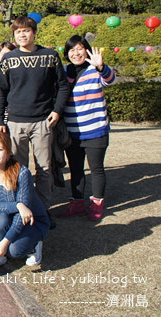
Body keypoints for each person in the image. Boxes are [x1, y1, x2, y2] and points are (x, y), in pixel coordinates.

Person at [0, 16, 70, 225]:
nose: (22, 35)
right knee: (18, 168)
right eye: (18, 32)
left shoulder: (50, 56)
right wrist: (0, 119)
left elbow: (63, 85)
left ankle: (44, 209)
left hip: (43, 121)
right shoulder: (9, 60)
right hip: (16, 122)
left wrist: (57, 111)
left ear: (34, 33)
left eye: (26, 31)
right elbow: (1, 92)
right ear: (14, 35)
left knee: (45, 168)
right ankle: (23, 207)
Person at [61, 35, 115, 221]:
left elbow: (110, 79)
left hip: (95, 130)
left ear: (87, 50)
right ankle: (76, 203)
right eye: (72, 50)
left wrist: (101, 66)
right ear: (67, 53)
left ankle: (97, 204)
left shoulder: (95, 70)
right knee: (76, 169)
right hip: (72, 132)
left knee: (96, 169)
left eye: (80, 49)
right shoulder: (65, 71)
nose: (76, 53)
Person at [0, 131, 48, 272]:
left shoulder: (22, 173)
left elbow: (24, 214)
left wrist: (5, 242)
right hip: (8, 215)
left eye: (0, 149)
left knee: (15, 251)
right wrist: (17, 205)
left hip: (32, 220)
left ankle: (35, 244)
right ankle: (0, 257)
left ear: (8, 153)